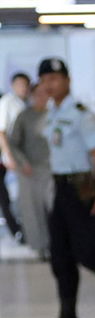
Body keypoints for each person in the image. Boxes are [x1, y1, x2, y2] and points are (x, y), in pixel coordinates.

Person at [35, 57, 95, 318]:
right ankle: (68, 317)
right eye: (45, 80)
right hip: (60, 189)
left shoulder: (82, 114)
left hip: (82, 187)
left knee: (89, 253)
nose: (49, 85)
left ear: (67, 80)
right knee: (60, 256)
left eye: (55, 79)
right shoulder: (51, 113)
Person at [6, 80, 52, 260]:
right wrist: (22, 162)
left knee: (53, 210)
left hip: (51, 171)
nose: (41, 97)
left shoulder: (54, 115)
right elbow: (13, 143)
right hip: (29, 171)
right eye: (37, 94)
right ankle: (40, 248)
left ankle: (55, 245)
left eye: (44, 93)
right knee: (34, 212)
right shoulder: (24, 116)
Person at [0, 71, 28, 244]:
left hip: (22, 156)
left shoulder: (24, 103)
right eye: (20, 85)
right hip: (8, 158)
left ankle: (22, 230)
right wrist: (7, 156)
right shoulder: (8, 103)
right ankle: (17, 230)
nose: (23, 88)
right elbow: (1, 131)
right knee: (5, 196)